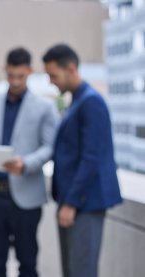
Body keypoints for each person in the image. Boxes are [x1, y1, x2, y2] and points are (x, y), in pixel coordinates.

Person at [0, 47, 59, 277]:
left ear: (30, 72)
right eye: (11, 75)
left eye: (21, 76)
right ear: (5, 70)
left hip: (27, 198)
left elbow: (50, 147)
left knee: (28, 265)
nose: (15, 81)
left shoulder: (45, 107)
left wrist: (26, 163)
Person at [42, 43, 122, 277]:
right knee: (72, 269)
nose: (50, 81)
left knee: (81, 270)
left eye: (53, 75)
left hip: (84, 203)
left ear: (72, 69)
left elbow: (91, 158)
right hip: (74, 201)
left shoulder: (91, 102)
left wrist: (71, 203)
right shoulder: (77, 100)